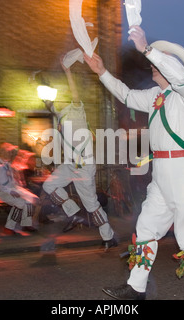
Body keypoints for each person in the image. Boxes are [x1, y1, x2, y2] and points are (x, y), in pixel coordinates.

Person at [84, 25, 184, 300]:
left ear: (170, 66)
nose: (151, 67)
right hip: (162, 173)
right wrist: (102, 72)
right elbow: (128, 95)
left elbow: (181, 76)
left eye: (157, 62)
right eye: (152, 61)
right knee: (146, 228)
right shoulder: (157, 98)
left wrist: (147, 48)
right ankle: (136, 288)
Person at [40, 58, 117, 249]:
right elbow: (51, 107)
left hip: (83, 167)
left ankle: (109, 237)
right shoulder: (62, 114)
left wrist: (67, 71)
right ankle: (73, 213)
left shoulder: (77, 110)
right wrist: (45, 96)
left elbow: (74, 94)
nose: (66, 95)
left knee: (91, 205)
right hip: (70, 165)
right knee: (49, 186)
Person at [0, 142, 39, 233]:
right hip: (1, 192)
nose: (11, 154)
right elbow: (1, 185)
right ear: (2, 152)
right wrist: (12, 191)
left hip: (11, 188)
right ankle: (9, 227)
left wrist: (21, 189)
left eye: (11, 152)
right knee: (20, 202)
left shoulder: (7, 164)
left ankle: (26, 223)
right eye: (9, 152)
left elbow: (12, 181)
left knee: (32, 198)